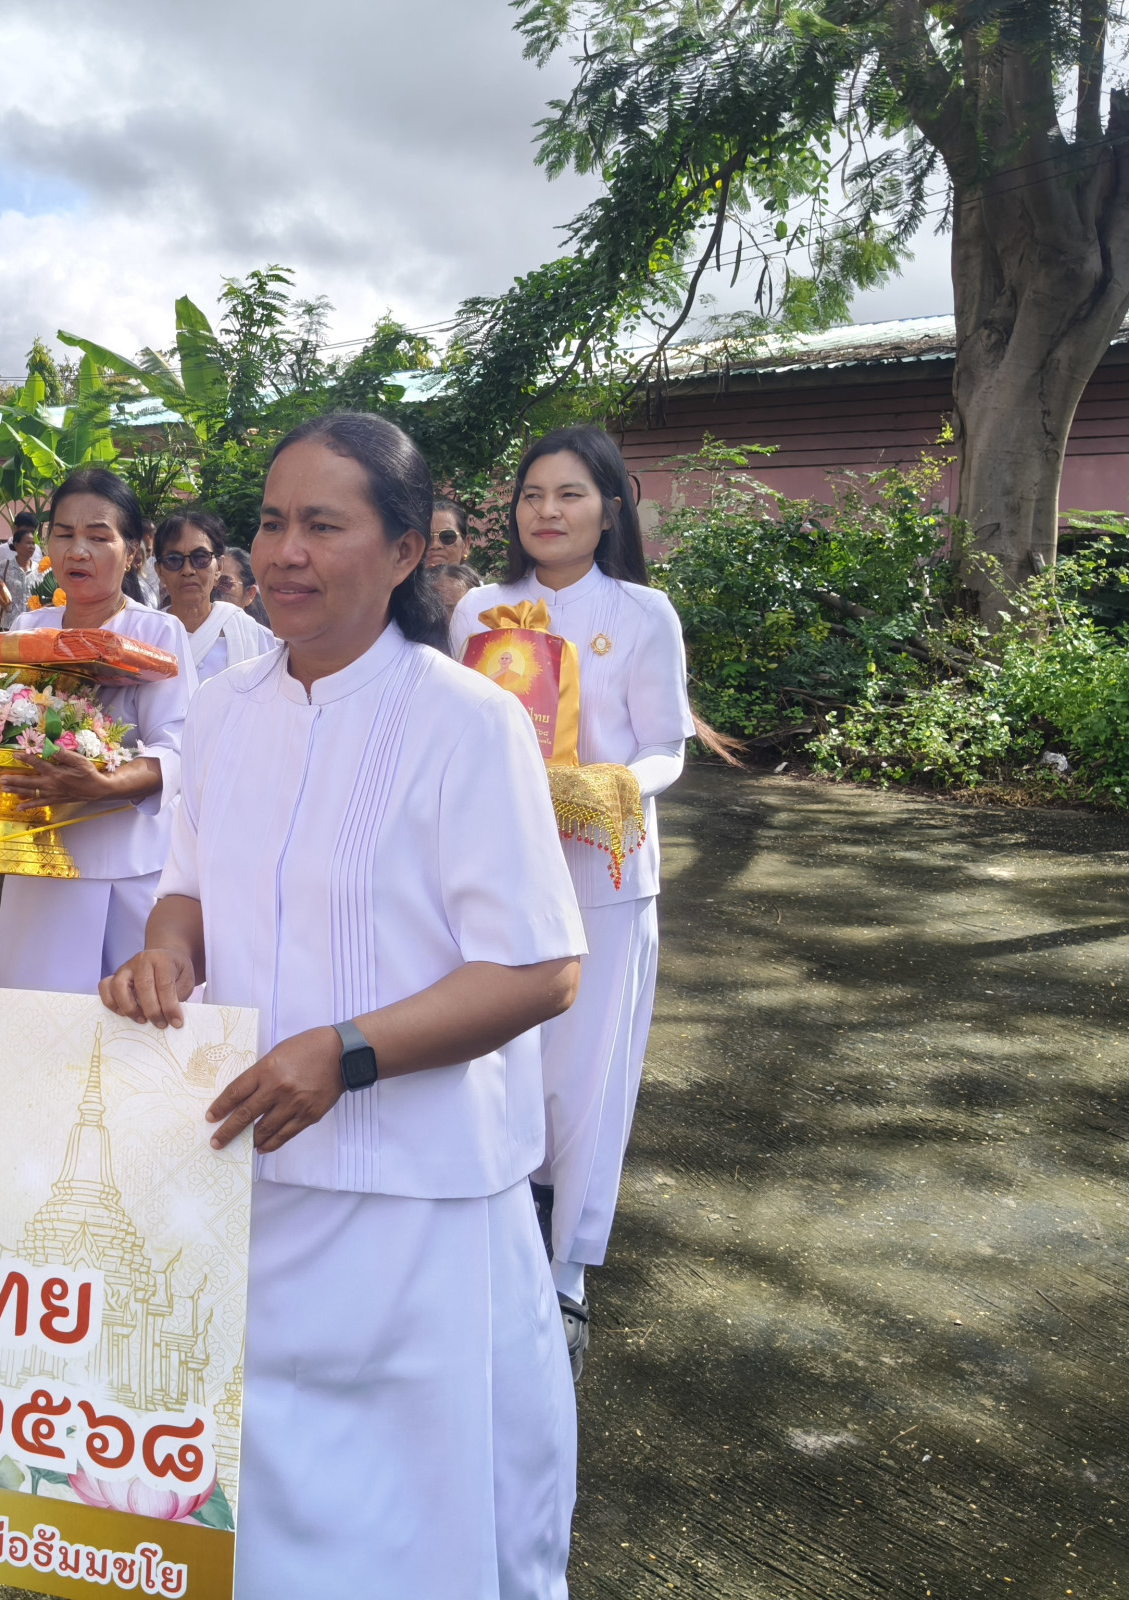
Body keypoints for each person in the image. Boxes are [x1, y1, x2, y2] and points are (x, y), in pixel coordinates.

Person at [100, 411, 583, 1599]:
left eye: (325, 524)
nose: (284, 553)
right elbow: (188, 892)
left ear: (410, 549)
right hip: (252, 1182)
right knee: (266, 1514)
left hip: (415, 1204)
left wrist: (349, 1053)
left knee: (417, 1526)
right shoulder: (222, 710)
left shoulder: (464, 722)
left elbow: (537, 968)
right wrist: (163, 958)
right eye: (271, 522)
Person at [448, 425, 694, 1376]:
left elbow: (666, 742)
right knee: (493, 1060)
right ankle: (489, 1241)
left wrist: (618, 786)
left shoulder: (642, 612)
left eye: (570, 495)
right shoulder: (481, 607)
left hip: (602, 866)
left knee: (585, 1078)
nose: (547, 512)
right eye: (531, 495)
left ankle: (566, 1275)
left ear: (609, 509)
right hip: (496, 867)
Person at [0, 468, 194, 995]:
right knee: (35, 1022)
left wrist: (104, 782)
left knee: (133, 1032)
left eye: (99, 537)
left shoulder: (156, 631)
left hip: (128, 864)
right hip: (35, 858)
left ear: (132, 552)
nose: (79, 551)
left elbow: (180, 749)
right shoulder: (27, 630)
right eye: (64, 533)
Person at [154, 508, 275, 681]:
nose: (188, 570)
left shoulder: (254, 637)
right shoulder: (146, 635)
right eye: (174, 559)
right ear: (159, 571)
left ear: (218, 567)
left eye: (200, 557)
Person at [213, 546, 271, 627]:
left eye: (225, 582)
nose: (214, 587)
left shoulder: (261, 638)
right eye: (211, 581)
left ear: (250, 594)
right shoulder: (191, 633)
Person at [428, 496, 473, 570]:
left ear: (466, 545)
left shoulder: (475, 582)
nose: (435, 545)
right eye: (427, 537)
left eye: (447, 537)